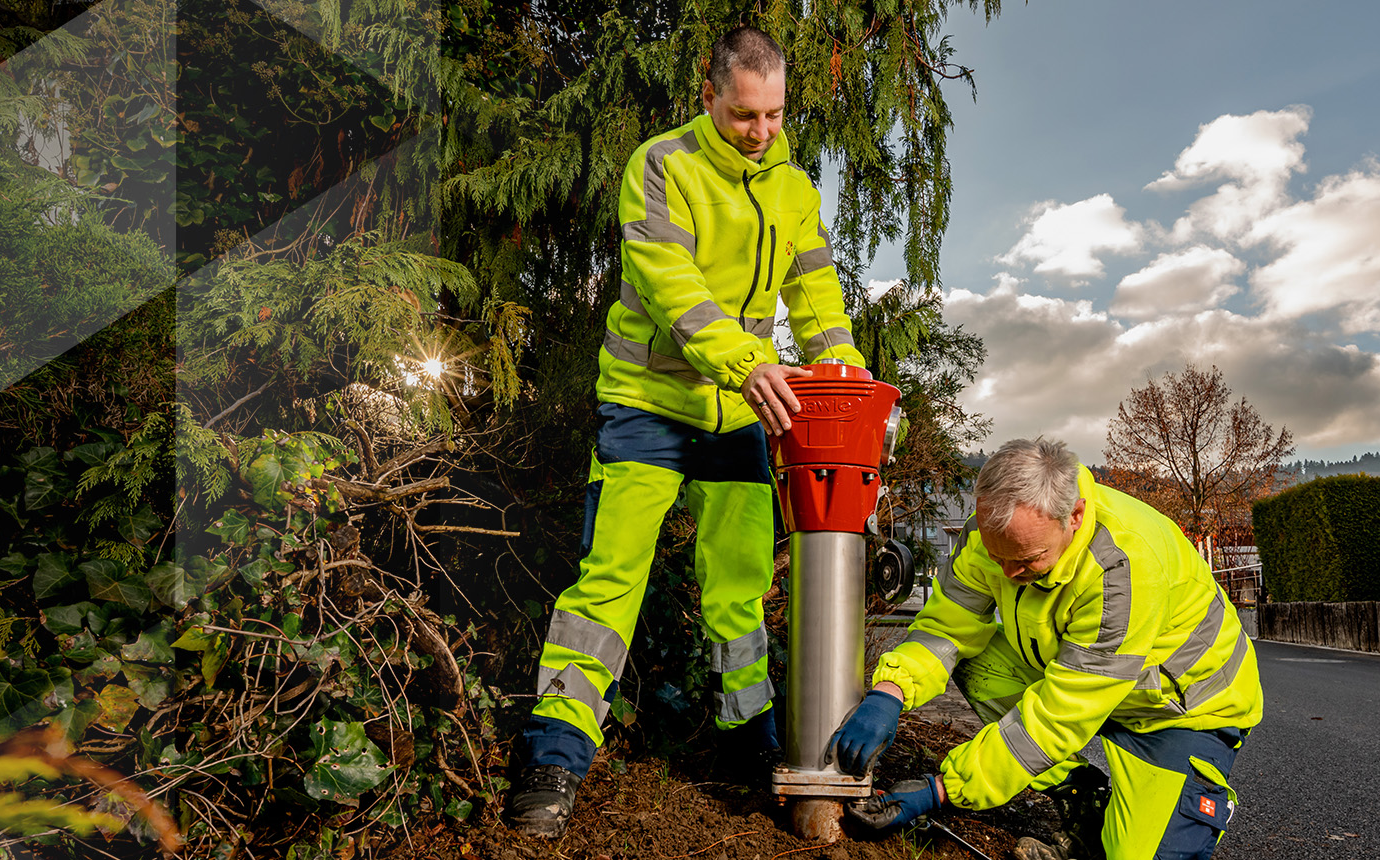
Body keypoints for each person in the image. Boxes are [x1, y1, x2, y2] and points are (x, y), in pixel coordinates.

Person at [503, 25, 866, 839]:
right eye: (745, 115)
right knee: (610, 584)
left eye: (774, 115)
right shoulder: (662, 165)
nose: (762, 132)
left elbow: (816, 300)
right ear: (708, 98)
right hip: (647, 405)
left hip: (743, 413)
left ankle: (749, 745)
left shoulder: (794, 188)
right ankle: (555, 758)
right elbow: (673, 288)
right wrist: (745, 361)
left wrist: (844, 377)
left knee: (740, 593)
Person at [829, 438, 1262, 860]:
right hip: (1087, 684)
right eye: (999, 559)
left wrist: (943, 789)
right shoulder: (989, 538)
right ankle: (1080, 795)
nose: (1010, 573)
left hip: (1178, 711)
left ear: (1074, 516)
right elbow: (947, 628)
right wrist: (890, 691)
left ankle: (1193, 795)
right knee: (973, 658)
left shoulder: (1123, 568)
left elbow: (1060, 714)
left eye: (1028, 559)